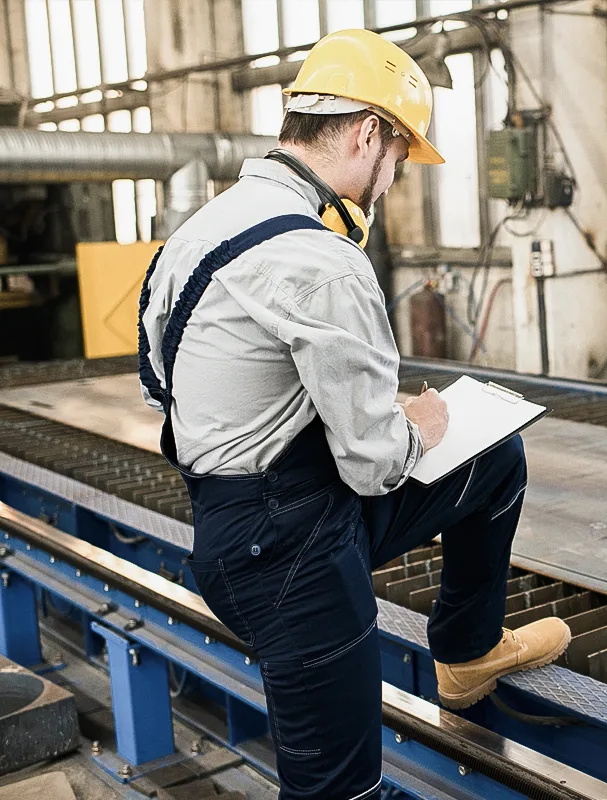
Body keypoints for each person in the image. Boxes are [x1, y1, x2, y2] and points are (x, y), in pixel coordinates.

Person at [136, 28, 570, 800]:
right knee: (340, 789)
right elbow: (374, 465)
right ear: (369, 132)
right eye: (400, 156)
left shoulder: (197, 233)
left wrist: (328, 408)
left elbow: (166, 388)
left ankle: (467, 654)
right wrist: (417, 428)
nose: (395, 179)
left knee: (495, 459)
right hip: (290, 560)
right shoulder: (323, 259)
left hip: (238, 521)